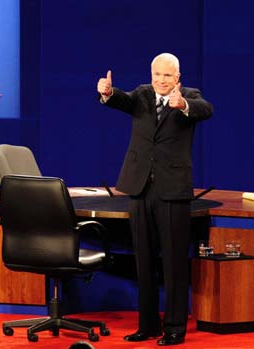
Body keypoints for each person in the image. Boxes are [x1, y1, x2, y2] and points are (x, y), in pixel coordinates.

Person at [97, 53, 213, 346]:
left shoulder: (189, 96)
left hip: (172, 191)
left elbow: (205, 109)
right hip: (140, 190)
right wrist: (109, 93)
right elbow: (123, 100)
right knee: (144, 261)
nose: (161, 81)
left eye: (167, 76)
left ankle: (174, 328)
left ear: (177, 78)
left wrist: (183, 105)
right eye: (157, 75)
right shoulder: (143, 94)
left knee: (174, 263)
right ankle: (147, 325)